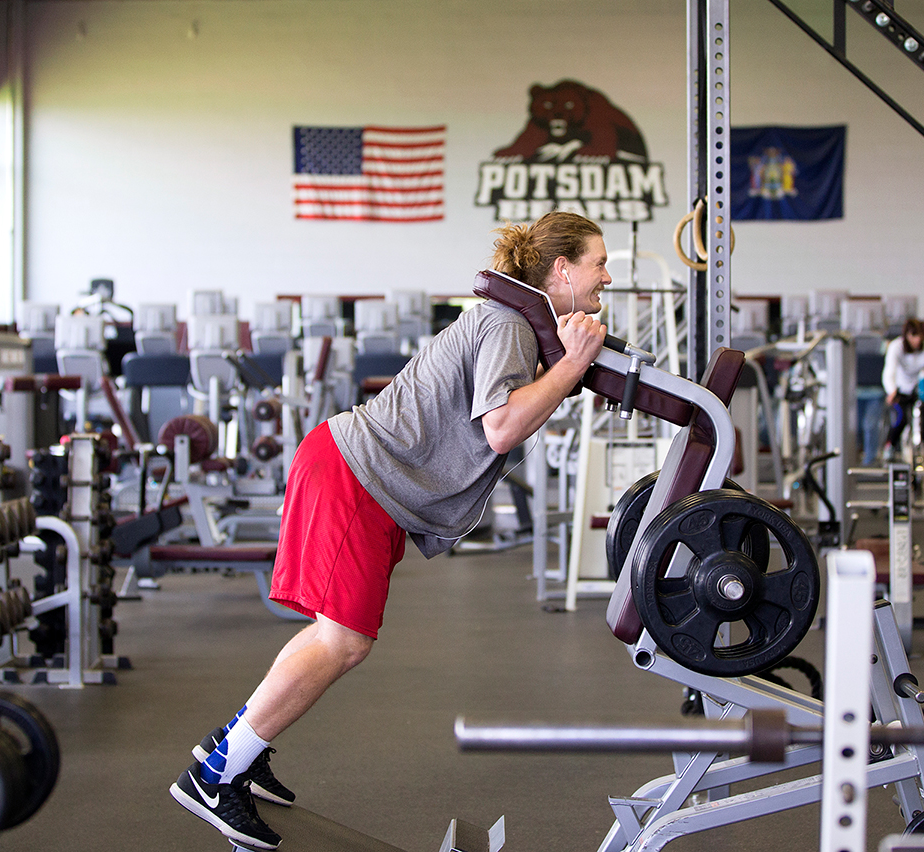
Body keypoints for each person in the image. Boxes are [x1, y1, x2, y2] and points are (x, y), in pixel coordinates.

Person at [169, 211, 611, 850]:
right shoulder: (509, 324)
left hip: (361, 477)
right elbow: (501, 429)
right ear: (562, 270)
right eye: (598, 264)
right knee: (346, 643)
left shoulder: (517, 322)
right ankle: (215, 777)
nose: (605, 278)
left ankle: (237, 746)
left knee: (331, 637)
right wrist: (571, 368)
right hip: (356, 479)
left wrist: (569, 360)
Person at [881, 317, 924, 462]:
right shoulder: (896, 347)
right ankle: (889, 446)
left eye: (919, 336)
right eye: (913, 336)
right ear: (906, 336)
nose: (916, 340)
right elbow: (889, 371)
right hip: (900, 389)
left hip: (918, 389)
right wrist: (891, 390)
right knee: (901, 418)